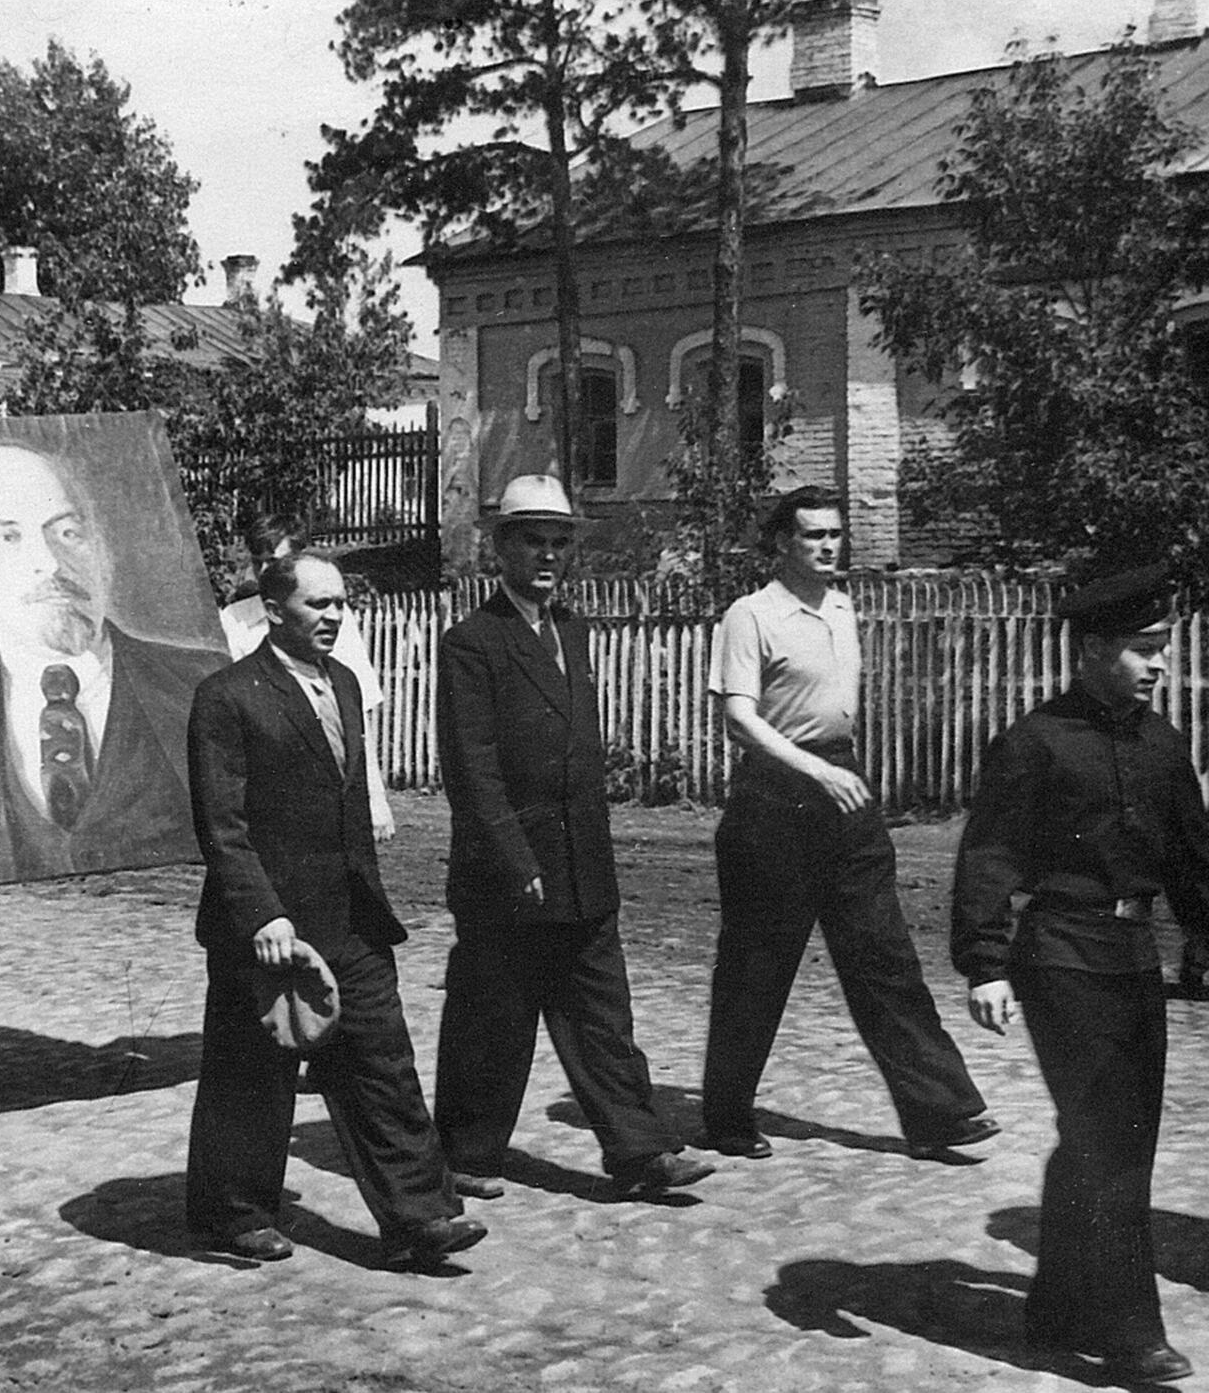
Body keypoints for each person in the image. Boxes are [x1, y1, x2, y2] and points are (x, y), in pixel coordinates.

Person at [185, 551, 486, 1267]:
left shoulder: (346, 683)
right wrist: (262, 915)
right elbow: (221, 823)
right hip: (265, 927)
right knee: (252, 1074)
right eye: (317, 603)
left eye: (341, 603)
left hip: (350, 916)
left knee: (383, 1059)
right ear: (272, 608)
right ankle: (233, 1212)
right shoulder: (228, 696)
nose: (334, 616)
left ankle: (421, 1216)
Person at [952, 565, 1203, 1385]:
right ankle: (1131, 1330)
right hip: (1058, 955)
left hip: (1136, 962)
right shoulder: (1035, 742)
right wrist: (985, 963)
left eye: (1161, 650)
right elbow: (989, 853)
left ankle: (1057, 1305)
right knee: (1109, 1141)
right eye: (1141, 650)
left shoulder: (1164, 746)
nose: (1157, 664)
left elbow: (1194, 864)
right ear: (1093, 649)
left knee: (1114, 1136)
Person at [431, 475, 711, 1199]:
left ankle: (642, 1151)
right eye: (534, 541)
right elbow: (473, 767)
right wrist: (514, 857)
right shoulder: (472, 643)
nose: (549, 556)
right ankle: (466, 1150)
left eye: (560, 542)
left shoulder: (574, 630)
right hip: (507, 866)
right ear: (502, 548)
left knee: (601, 1010)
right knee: (495, 1011)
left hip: (582, 860)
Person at [702, 486, 992, 1159]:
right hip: (774, 800)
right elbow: (738, 718)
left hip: (844, 788)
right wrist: (814, 769)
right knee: (758, 964)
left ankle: (939, 1111)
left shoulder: (841, 605)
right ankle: (725, 1116)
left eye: (835, 534)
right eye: (812, 535)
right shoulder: (750, 615)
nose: (829, 546)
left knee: (883, 952)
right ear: (780, 542)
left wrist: (838, 770)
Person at [0, 442, 226, 884]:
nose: (49, 563)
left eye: (68, 533)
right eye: (7, 537)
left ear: (99, 544)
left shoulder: (206, 683)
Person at [219, 514, 395, 842]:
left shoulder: (328, 619)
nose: (265, 572)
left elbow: (357, 716)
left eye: (276, 561)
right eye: (259, 563)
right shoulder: (235, 619)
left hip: (325, 766)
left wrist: (376, 798)